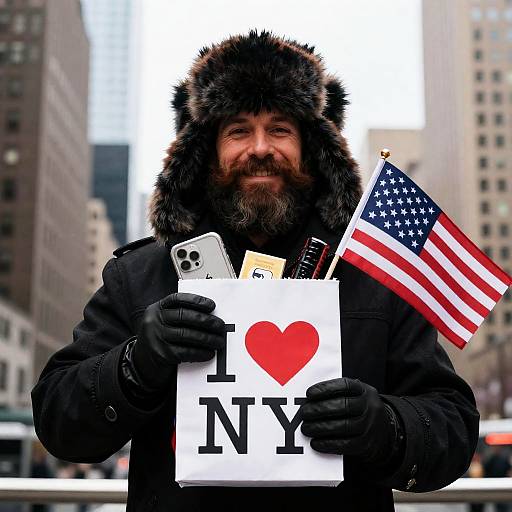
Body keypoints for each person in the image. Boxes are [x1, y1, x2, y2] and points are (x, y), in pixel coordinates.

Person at [31, 31, 480, 511]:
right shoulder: (141, 275)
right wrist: (137, 364)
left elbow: (451, 424)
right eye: (239, 130)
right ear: (207, 152)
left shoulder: (373, 270)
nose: (261, 148)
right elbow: (60, 424)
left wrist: (385, 426)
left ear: (312, 149)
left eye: (281, 129)